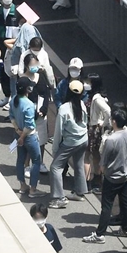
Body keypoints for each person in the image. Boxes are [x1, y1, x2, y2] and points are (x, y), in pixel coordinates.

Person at [83, 108, 127, 244]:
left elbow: (103, 162)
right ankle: (126, 228)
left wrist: (101, 171)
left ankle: (100, 234)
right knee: (125, 202)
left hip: (112, 177)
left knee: (106, 206)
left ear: (114, 122)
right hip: (125, 175)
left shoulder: (111, 140)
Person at [49, 80, 89, 209]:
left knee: (55, 167)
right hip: (83, 139)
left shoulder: (64, 108)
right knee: (78, 165)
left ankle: (59, 198)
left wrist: (55, 148)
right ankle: (80, 192)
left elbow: (58, 131)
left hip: (70, 142)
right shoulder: (82, 105)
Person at [10, 76, 44, 197]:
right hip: (29, 136)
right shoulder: (29, 104)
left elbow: (11, 116)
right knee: (36, 160)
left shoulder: (13, 99)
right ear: (27, 89)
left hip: (18, 133)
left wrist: (18, 131)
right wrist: (22, 136)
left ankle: (22, 185)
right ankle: (33, 190)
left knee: (20, 159)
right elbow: (30, 125)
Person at [19, 51, 51, 171]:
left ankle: (39, 163)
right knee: (29, 141)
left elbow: (46, 93)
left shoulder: (41, 76)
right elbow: (21, 99)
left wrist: (44, 109)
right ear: (26, 66)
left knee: (41, 141)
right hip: (28, 115)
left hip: (41, 114)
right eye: (32, 64)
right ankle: (26, 165)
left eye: (36, 63)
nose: (35, 67)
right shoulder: (23, 80)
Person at [84, 73, 110, 193]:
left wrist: (102, 123)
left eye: (89, 82)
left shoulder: (96, 98)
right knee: (95, 154)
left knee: (87, 155)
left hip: (92, 129)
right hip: (95, 130)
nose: (86, 84)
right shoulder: (96, 96)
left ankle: (87, 182)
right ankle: (97, 180)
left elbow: (108, 111)